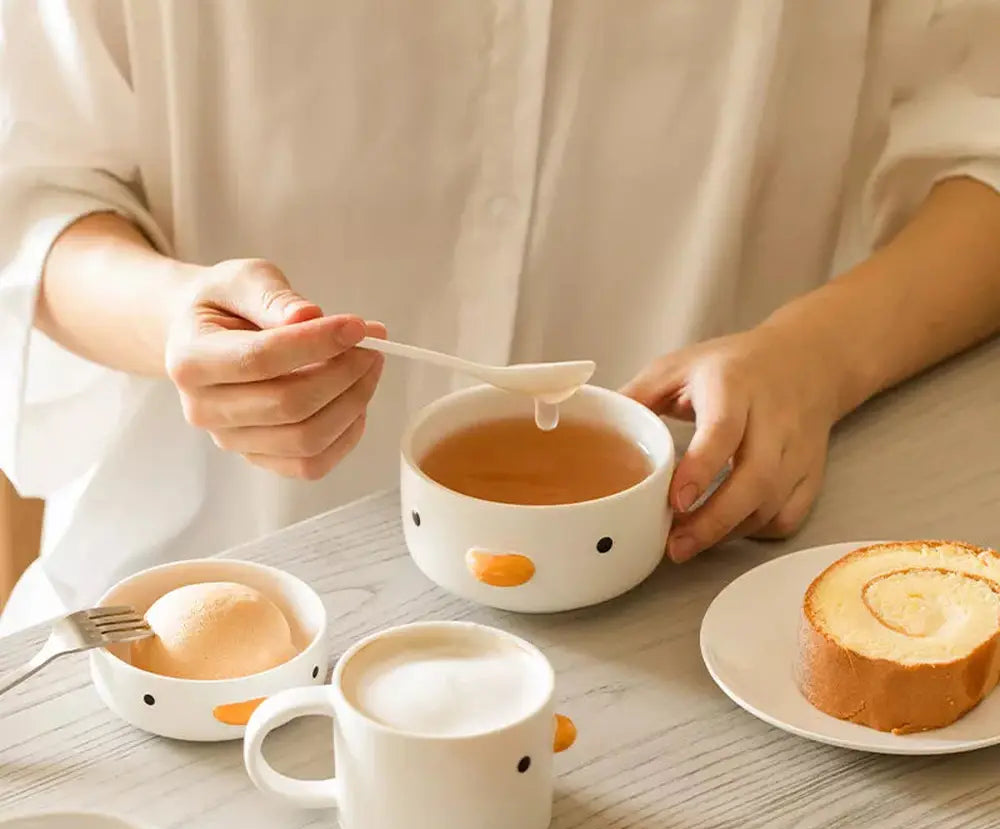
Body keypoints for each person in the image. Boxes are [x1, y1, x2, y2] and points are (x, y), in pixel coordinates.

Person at [2, 1, 1000, 634]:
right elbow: (37, 191)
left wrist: (813, 358)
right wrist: (174, 320)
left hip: (694, 614)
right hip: (198, 617)